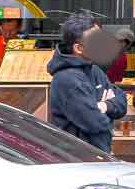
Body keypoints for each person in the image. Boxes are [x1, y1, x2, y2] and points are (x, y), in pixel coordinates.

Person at [45, 15, 126, 153]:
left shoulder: (94, 69)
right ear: (78, 48)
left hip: (98, 156)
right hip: (76, 160)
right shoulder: (67, 80)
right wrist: (105, 109)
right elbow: (97, 123)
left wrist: (104, 105)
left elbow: (121, 101)